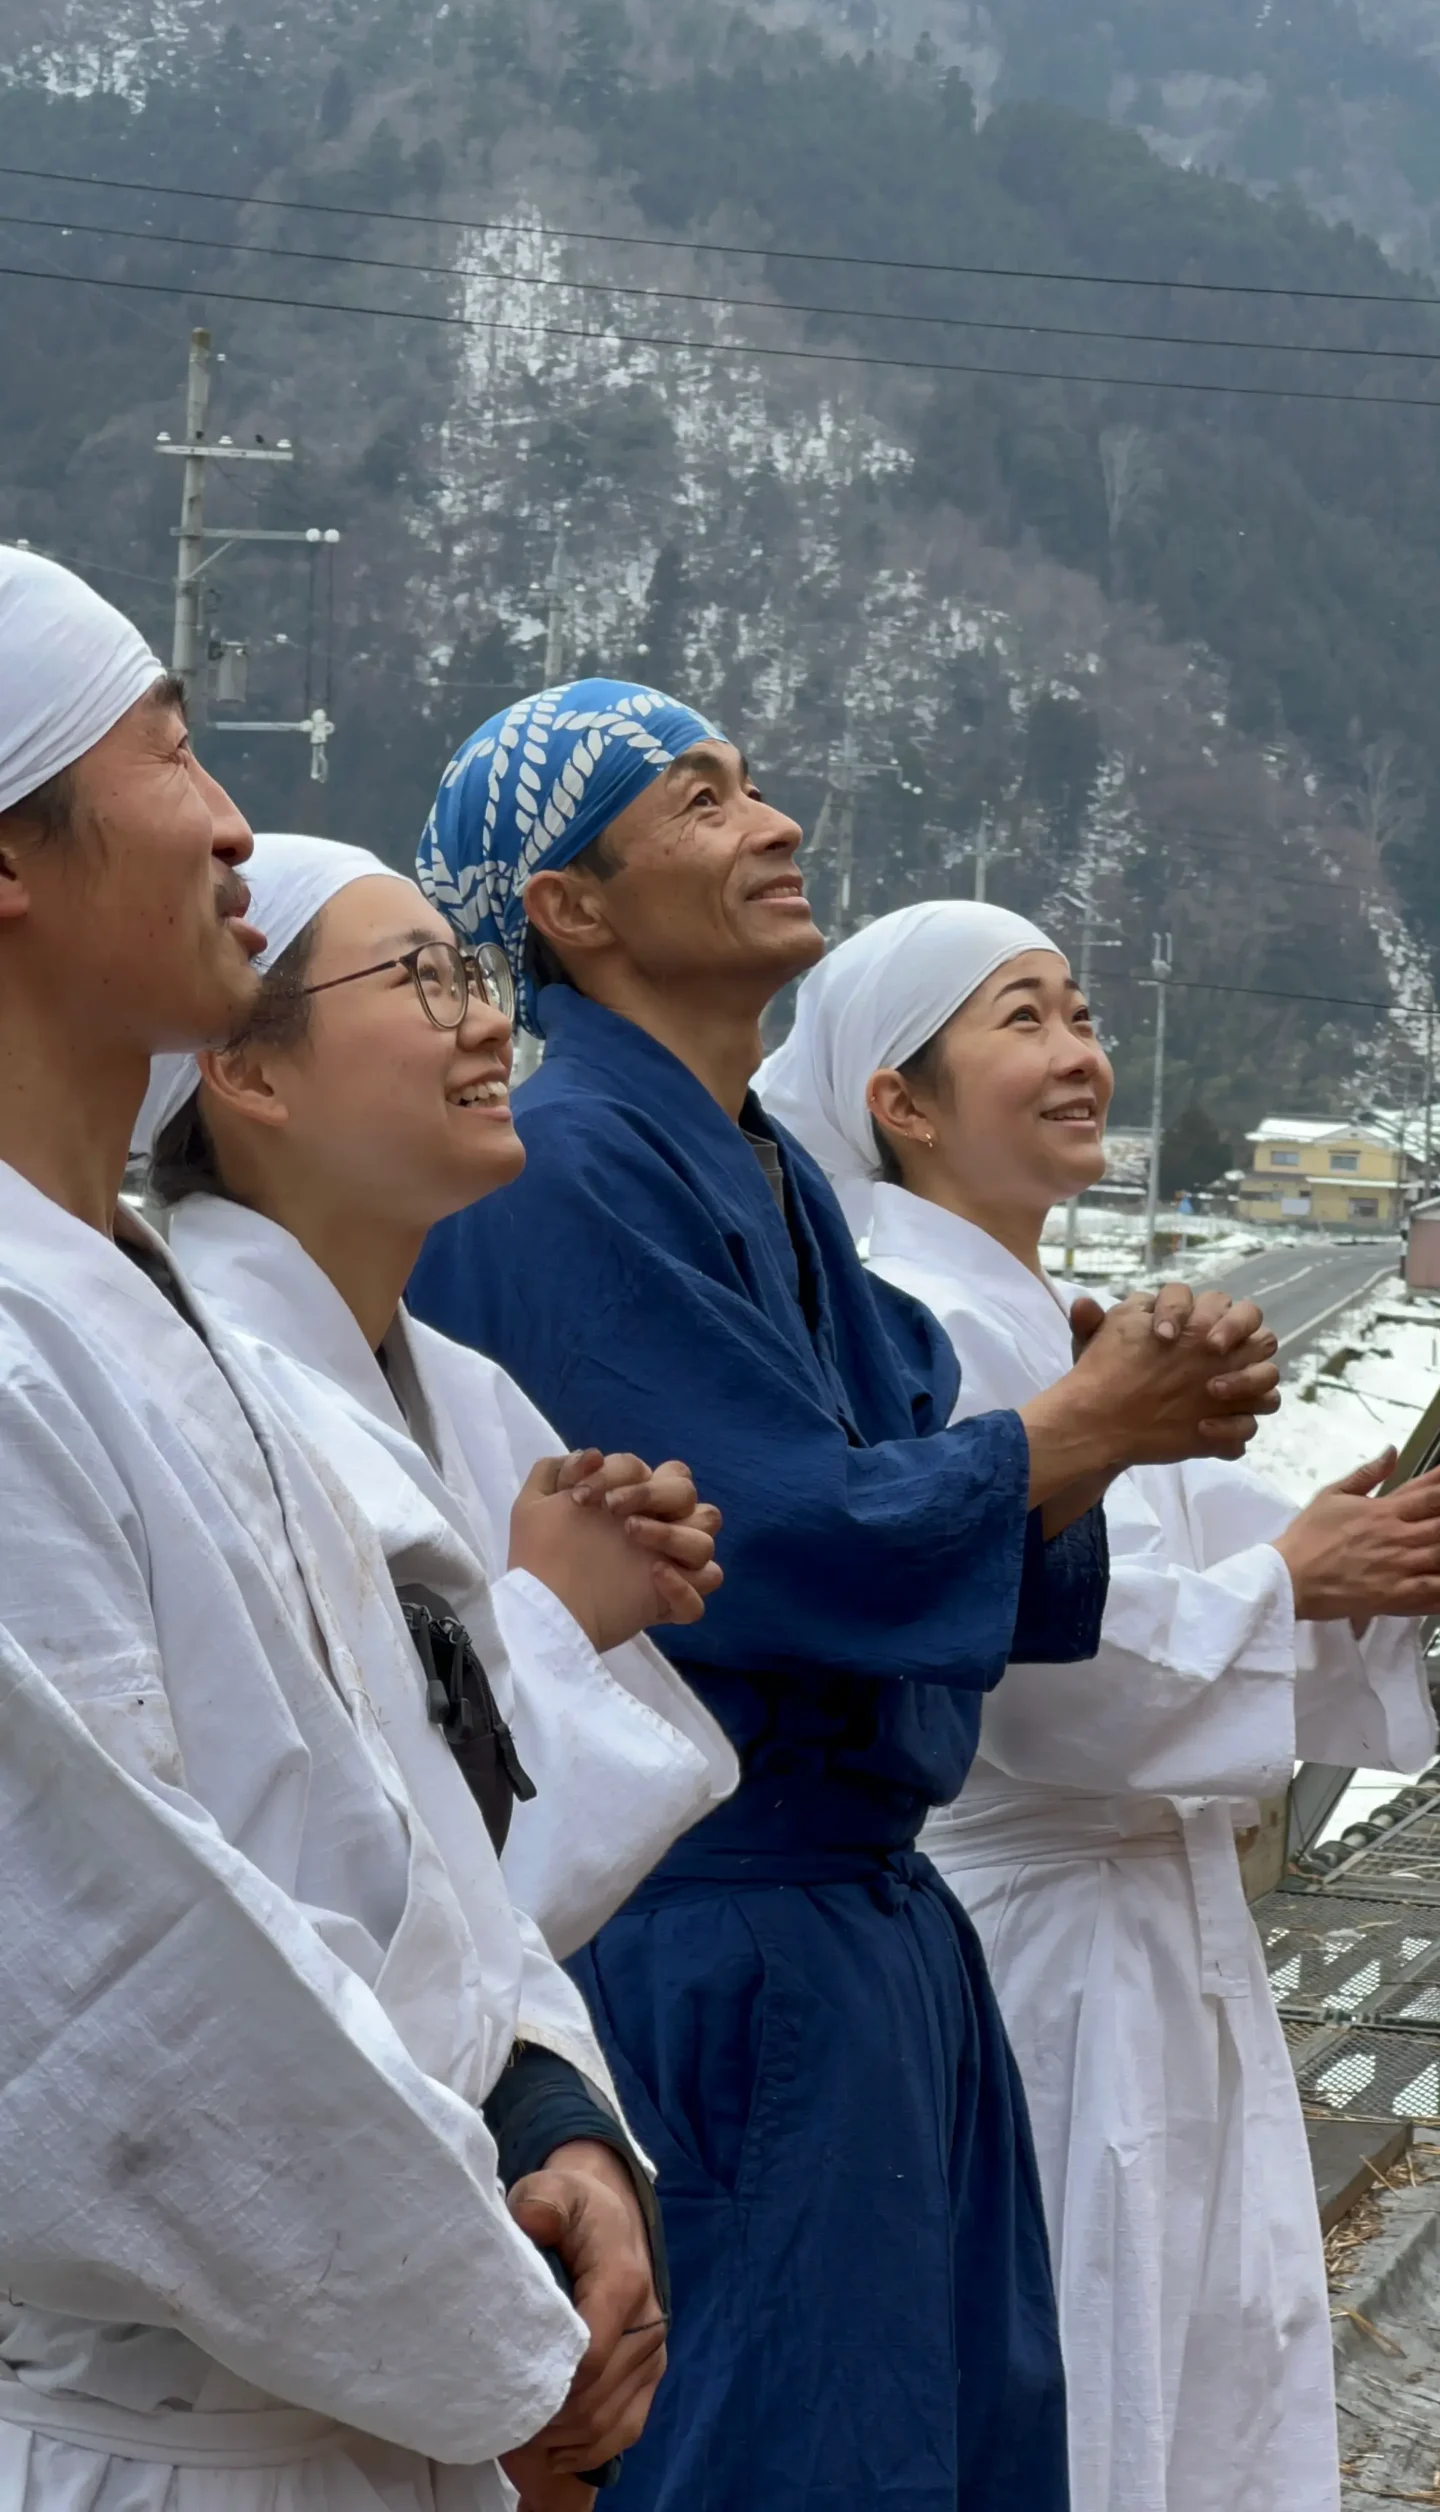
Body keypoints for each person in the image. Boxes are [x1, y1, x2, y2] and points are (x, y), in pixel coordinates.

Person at [407, 676, 1283, 2512]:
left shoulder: (768, 1176)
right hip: (724, 1933)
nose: (774, 820)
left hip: (870, 1934)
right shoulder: (568, 1168)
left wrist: (1114, 1421)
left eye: (755, 779)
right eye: (704, 799)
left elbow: (946, 1489)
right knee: (784, 2452)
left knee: (936, 2442)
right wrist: (1066, 1433)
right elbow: (774, 1533)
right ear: (567, 907)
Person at [0, 553, 682, 2512]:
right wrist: (497, 2330)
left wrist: (556, 2119)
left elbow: (417, 1839)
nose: (231, 819)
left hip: (375, 2373)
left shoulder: (175, 1316)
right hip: (181, 2423)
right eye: (169, 755)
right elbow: (119, 1982)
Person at [757, 897, 1440, 2512]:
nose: (1080, 1054)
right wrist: (1296, 1583)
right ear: (898, 1100)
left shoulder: (1018, 1313)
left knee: (1190, 2360)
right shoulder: (911, 1325)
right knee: (1088, 2375)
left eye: (1078, 1012)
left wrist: (1331, 1548)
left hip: (1144, 1939)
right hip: (1038, 1958)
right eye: (1022, 1019)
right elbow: (1031, 1669)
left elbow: (1144, 1564)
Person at [135, 829, 738, 1963]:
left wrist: (597, 1587)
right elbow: (362, 1876)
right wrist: (559, 1615)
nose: (489, 1022)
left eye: (471, 974)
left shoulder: (466, 1389)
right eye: (419, 978)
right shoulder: (192, 1395)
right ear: (248, 1071)